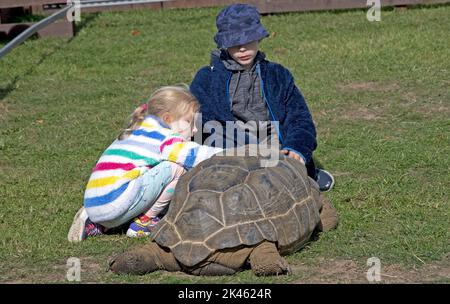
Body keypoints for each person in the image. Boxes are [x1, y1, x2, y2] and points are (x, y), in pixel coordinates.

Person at [190, 3, 334, 192]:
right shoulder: (206, 78)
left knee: (284, 175)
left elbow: (300, 118)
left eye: (249, 40)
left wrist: (297, 147)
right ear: (223, 43)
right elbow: (202, 122)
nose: (242, 48)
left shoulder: (278, 75)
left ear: (259, 37)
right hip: (226, 141)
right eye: (234, 42)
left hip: (269, 139)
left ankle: (303, 172)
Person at [67, 85, 222, 242]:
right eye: (189, 122)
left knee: (145, 172)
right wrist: (231, 154)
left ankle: (96, 224)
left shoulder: (138, 128)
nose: (195, 130)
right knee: (176, 168)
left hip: (95, 204)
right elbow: (194, 156)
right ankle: (144, 222)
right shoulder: (163, 137)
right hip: (116, 202)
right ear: (168, 119)